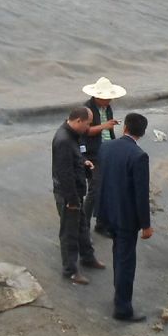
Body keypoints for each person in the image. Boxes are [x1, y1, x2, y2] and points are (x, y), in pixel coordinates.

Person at [96, 112, 153, 322]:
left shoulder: (106, 147)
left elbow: (101, 180)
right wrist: (146, 225)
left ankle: (118, 295)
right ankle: (123, 308)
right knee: (126, 262)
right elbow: (141, 194)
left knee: (118, 255)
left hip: (108, 212)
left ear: (125, 128)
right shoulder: (139, 156)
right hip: (127, 219)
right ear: (143, 133)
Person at [52, 106, 105, 284]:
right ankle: (70, 270)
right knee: (69, 232)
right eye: (88, 124)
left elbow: (74, 159)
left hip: (76, 192)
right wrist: (72, 200)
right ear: (78, 121)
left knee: (82, 226)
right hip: (68, 195)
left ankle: (88, 257)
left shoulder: (72, 137)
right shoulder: (63, 141)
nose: (89, 127)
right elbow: (64, 173)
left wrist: (83, 162)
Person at [81, 76, 126, 237]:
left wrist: (109, 128)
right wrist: (104, 126)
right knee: (94, 189)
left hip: (107, 150)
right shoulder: (87, 109)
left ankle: (101, 223)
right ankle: (84, 226)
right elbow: (85, 131)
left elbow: (106, 128)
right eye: (106, 98)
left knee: (107, 189)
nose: (108, 101)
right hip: (93, 154)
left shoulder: (107, 108)